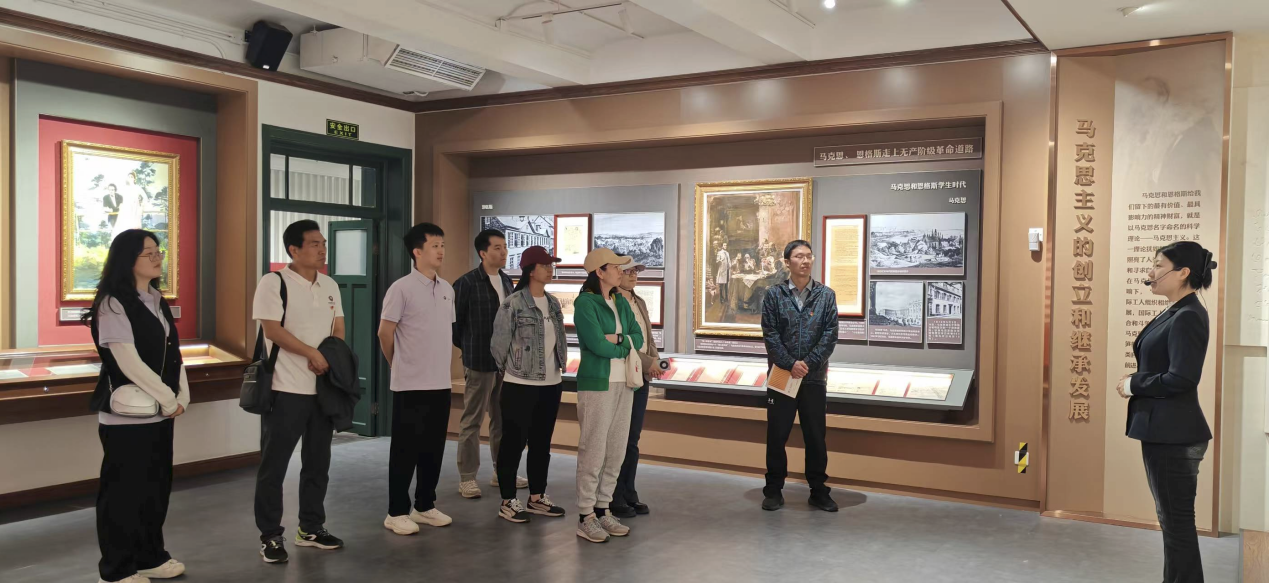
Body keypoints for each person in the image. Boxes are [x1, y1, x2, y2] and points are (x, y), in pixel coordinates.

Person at [83, 229, 187, 583]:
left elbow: (173, 354)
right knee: (123, 494)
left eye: (159, 251)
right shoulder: (112, 303)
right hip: (127, 417)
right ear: (127, 259)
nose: (158, 258)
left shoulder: (156, 299)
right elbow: (128, 362)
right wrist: (169, 399)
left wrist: (181, 397)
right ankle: (116, 569)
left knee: (155, 489)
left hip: (159, 412)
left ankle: (149, 557)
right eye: (148, 253)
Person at [1115, 241, 1216, 583]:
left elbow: (1182, 378)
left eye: (1158, 265)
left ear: (1183, 272)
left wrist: (1134, 384)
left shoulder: (1188, 315)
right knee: (1172, 522)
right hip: (1166, 433)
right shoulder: (1178, 310)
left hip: (1175, 435)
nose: (1151, 272)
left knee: (1176, 524)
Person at [252, 220, 346, 563]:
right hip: (285, 388)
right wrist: (311, 354)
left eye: (323, 243)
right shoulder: (273, 282)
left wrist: (331, 357)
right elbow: (272, 330)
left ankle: (311, 527)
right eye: (314, 244)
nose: (322, 249)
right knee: (274, 466)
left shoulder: (330, 284)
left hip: (322, 391)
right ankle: (270, 536)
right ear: (294, 249)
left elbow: (338, 328)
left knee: (318, 462)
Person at [379, 223, 459, 536]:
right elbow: (385, 333)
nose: (441, 251)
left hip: (440, 383)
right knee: (405, 451)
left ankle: (424, 505)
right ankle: (396, 512)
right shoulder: (401, 288)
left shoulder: (447, 289)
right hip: (410, 384)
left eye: (443, 245)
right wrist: (397, 364)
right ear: (417, 252)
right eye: (434, 245)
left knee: (433, 449)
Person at [490, 246, 569, 523]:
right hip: (519, 384)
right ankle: (508, 500)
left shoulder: (553, 303)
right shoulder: (513, 304)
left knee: (541, 443)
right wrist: (514, 371)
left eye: (551, 265)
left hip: (552, 383)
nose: (550, 269)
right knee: (513, 443)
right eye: (545, 265)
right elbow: (498, 347)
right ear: (530, 270)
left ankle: (537, 497)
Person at [760, 240, 840, 513]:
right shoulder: (774, 295)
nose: (805, 261)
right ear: (787, 262)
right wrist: (789, 363)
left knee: (816, 436)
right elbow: (770, 334)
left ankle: (818, 490)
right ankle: (773, 490)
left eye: (808, 256)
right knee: (777, 435)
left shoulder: (826, 295)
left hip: (814, 377)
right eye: (798, 256)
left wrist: (807, 363)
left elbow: (830, 335)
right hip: (782, 376)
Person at [572, 248, 644, 543]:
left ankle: (604, 508)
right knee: (593, 449)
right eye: (615, 267)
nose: (621, 272)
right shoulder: (584, 303)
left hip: (624, 382)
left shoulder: (620, 301)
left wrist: (618, 340)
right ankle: (586, 515)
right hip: (597, 384)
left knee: (616, 449)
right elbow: (596, 345)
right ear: (599, 272)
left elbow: (638, 337)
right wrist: (623, 345)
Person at [452, 228, 527, 498]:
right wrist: (470, 349)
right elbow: (455, 325)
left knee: (502, 420)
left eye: (504, 247)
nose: (504, 251)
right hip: (479, 362)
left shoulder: (507, 281)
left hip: (505, 364)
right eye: (497, 247)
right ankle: (467, 478)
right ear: (482, 253)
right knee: (472, 421)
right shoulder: (466, 283)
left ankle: (501, 471)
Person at [610, 261, 662, 518]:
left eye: (636, 272)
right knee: (618, 438)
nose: (633, 276)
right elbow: (622, 343)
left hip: (640, 375)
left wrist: (654, 361)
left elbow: (647, 338)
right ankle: (613, 495)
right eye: (628, 271)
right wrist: (648, 362)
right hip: (622, 375)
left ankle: (629, 492)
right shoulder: (611, 302)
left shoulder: (638, 301)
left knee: (632, 438)